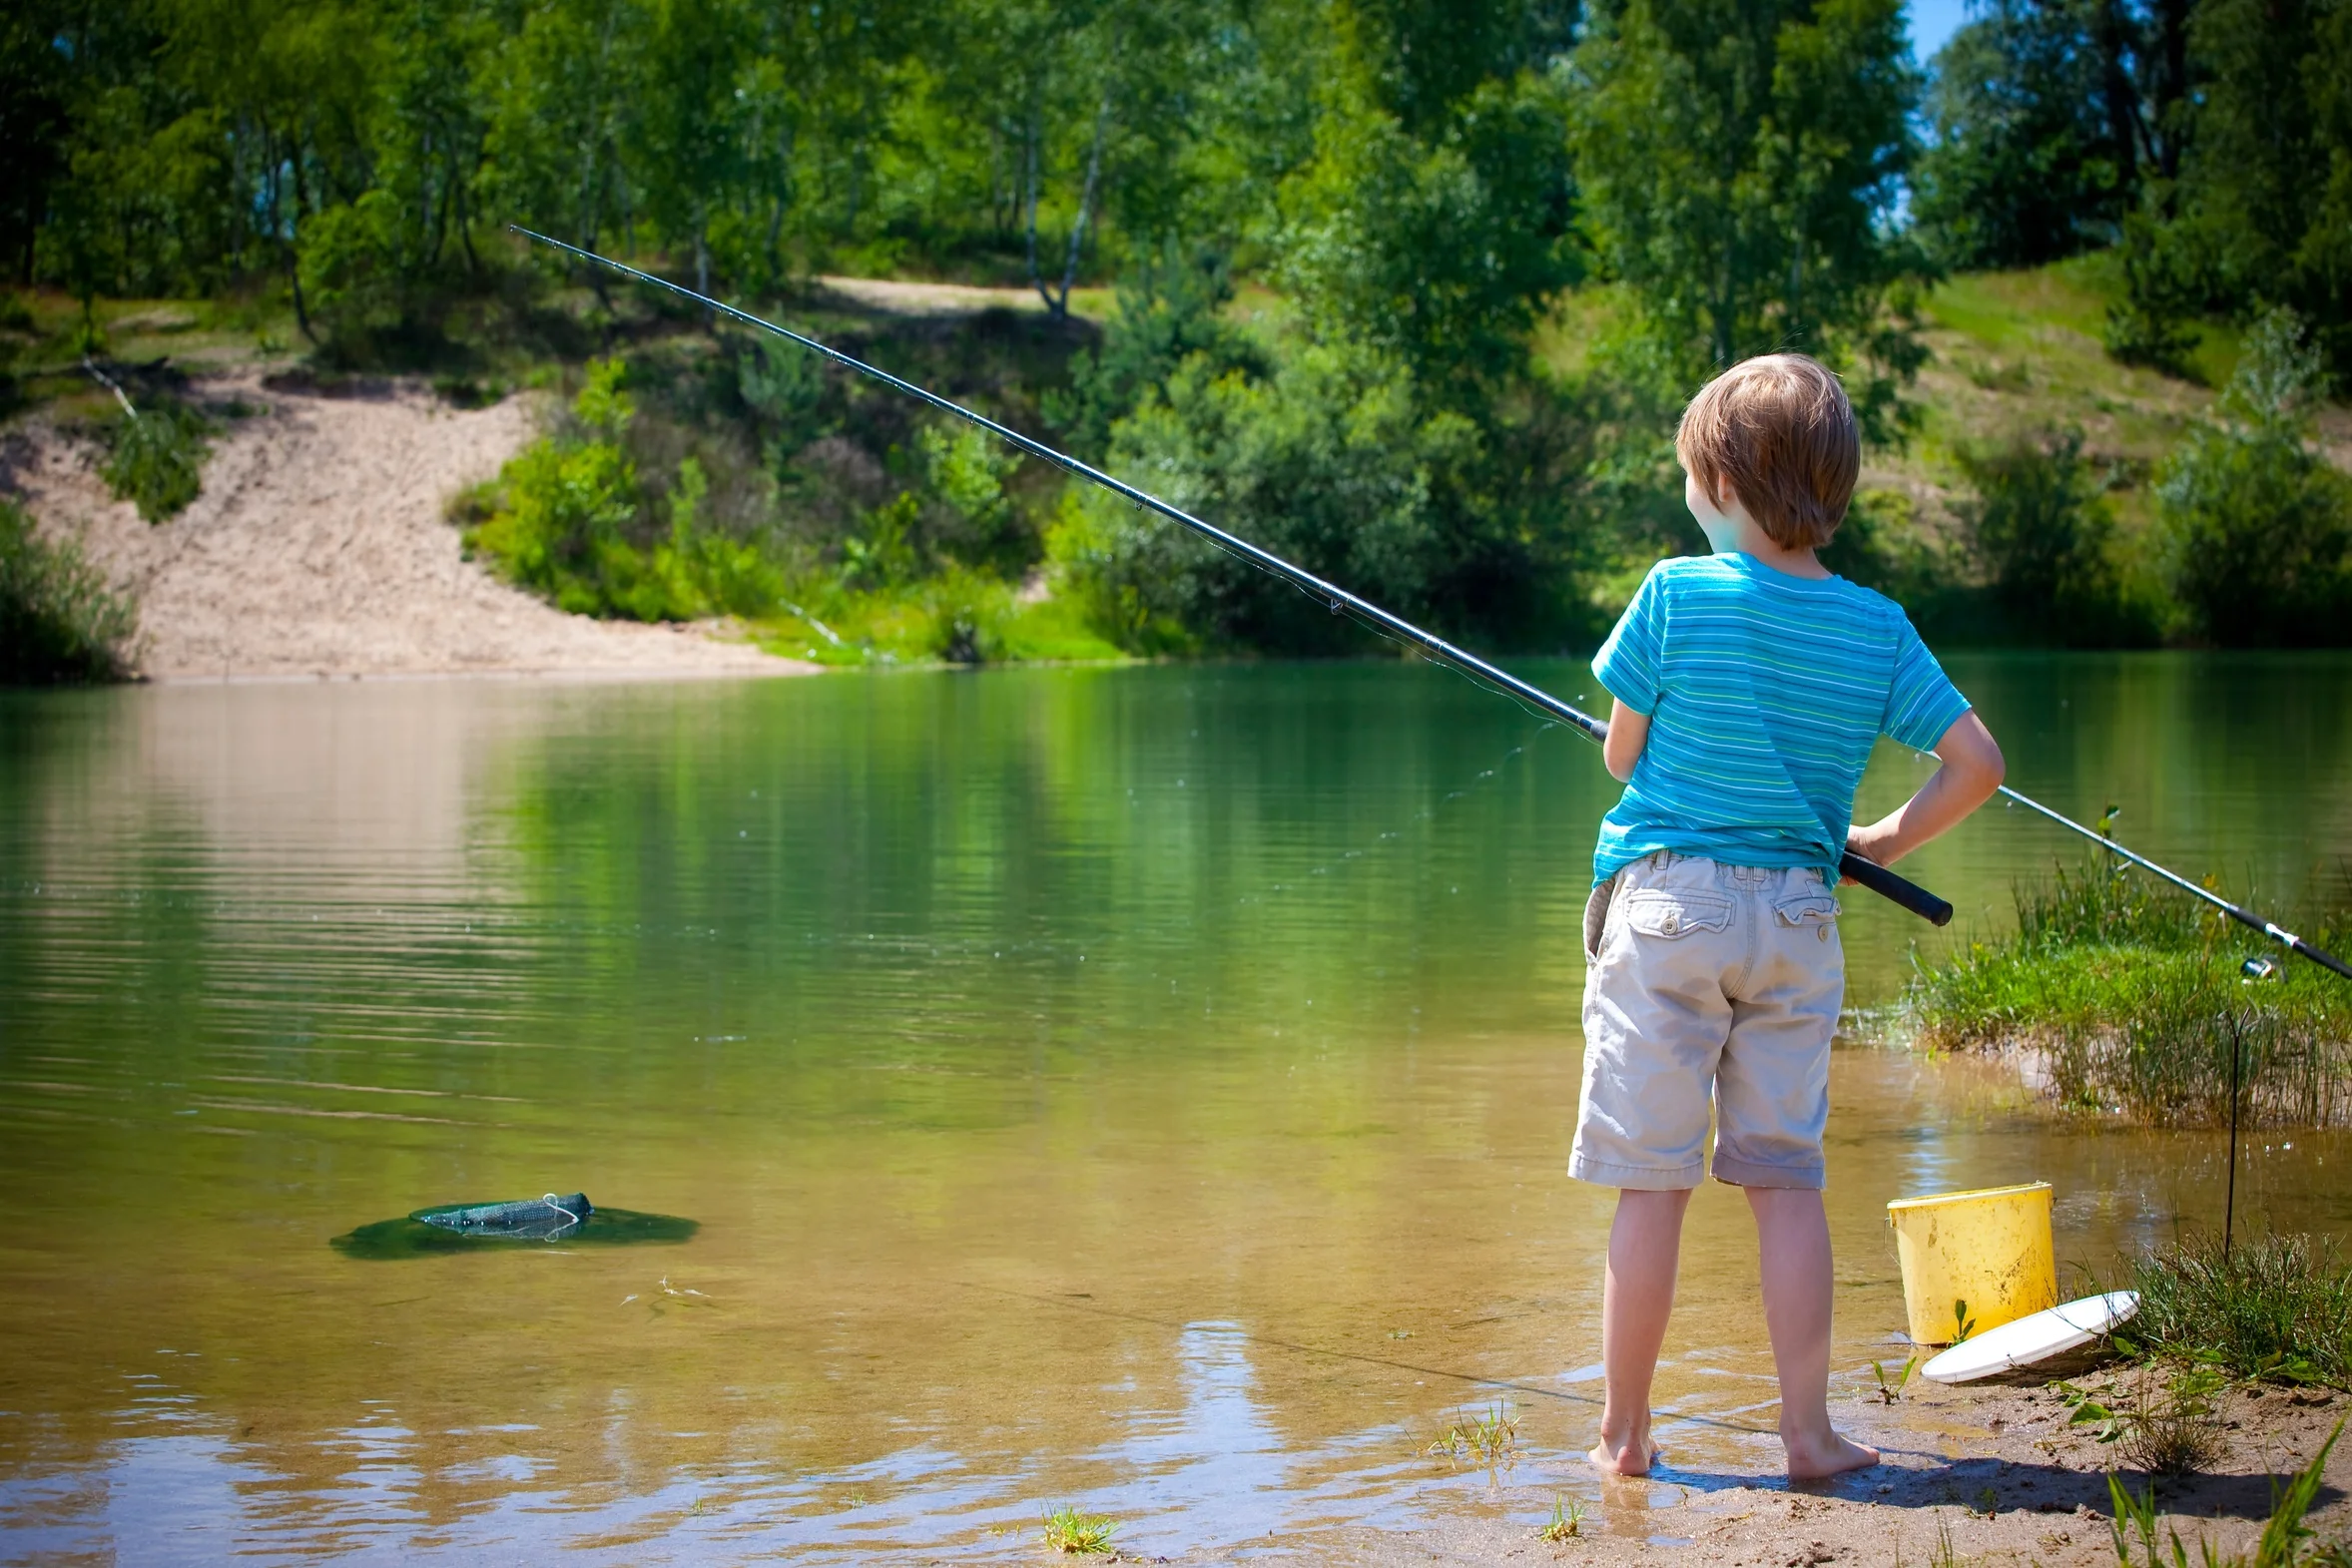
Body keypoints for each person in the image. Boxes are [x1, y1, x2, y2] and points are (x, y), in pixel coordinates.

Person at [1574, 353, 2006, 1480]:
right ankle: (1808, 1433)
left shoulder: (1672, 591)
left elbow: (1621, 753)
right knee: (1784, 1178)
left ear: (1718, 478)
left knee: (1650, 1180)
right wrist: (1881, 840)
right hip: (1801, 919)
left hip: (1670, 907)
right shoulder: (1877, 625)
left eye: (1687, 475)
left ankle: (1624, 1436)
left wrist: (1652, 741)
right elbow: (1975, 762)